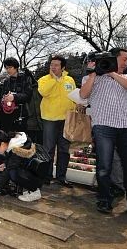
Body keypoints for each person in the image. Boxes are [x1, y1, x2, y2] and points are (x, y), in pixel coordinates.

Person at [80, 48, 127, 222]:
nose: (126, 62)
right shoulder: (91, 78)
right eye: (124, 59)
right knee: (104, 167)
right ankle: (105, 199)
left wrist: (112, 72)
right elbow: (84, 94)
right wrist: (94, 72)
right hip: (103, 128)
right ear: (113, 58)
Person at [38, 55, 76, 187]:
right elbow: (43, 92)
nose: (53, 67)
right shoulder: (44, 79)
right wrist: (54, 79)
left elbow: (73, 96)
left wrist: (76, 107)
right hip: (50, 119)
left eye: (56, 65)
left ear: (63, 67)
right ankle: (46, 176)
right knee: (48, 149)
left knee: (64, 149)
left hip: (67, 119)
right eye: (51, 65)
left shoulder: (69, 79)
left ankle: (61, 176)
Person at [0, 130, 43, 201]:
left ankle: (35, 191)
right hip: (24, 166)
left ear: (2, 144)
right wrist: (5, 164)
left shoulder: (16, 150)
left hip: (34, 176)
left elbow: (9, 169)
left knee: (13, 173)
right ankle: (7, 183)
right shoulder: (12, 143)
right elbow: (10, 160)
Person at [0, 57, 33, 133]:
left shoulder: (26, 78)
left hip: (21, 113)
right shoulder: (6, 81)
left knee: (20, 138)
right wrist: (4, 98)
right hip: (7, 113)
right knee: (7, 135)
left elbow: (28, 95)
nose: (8, 70)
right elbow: (2, 96)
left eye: (10, 67)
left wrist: (14, 97)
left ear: (16, 67)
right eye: (6, 68)